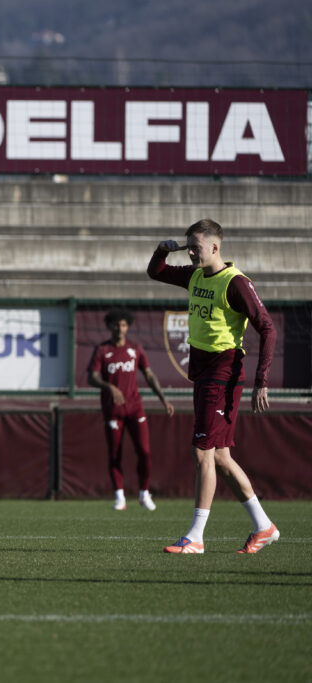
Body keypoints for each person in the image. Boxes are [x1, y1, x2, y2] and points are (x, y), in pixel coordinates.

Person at [148, 218, 278, 555]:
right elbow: (156, 271)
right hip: (204, 372)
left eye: (196, 246)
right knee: (219, 456)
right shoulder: (194, 276)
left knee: (202, 451)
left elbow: (267, 328)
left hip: (224, 372)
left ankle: (195, 536)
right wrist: (164, 249)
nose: (190, 252)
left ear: (215, 247)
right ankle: (263, 527)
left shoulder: (235, 283)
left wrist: (261, 379)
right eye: (188, 246)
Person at [87, 308, 174, 512]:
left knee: (144, 451)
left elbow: (149, 375)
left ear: (128, 326)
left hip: (135, 408)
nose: (120, 328)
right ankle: (119, 496)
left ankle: (144, 493)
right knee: (115, 453)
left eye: (124, 324)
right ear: (110, 326)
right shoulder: (102, 350)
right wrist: (109, 387)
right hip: (113, 410)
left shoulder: (135, 349)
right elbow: (92, 377)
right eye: (116, 324)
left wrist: (164, 399)